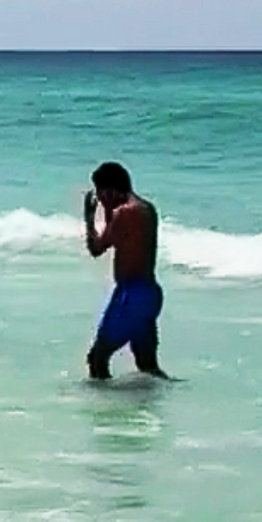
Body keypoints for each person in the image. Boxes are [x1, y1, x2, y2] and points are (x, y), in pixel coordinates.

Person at [83, 161, 170, 380]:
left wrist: (89, 218)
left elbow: (97, 247)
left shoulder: (125, 213)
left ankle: (104, 410)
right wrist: (109, 209)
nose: (101, 201)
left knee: (98, 358)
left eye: (101, 195)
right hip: (149, 293)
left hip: (131, 296)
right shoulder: (146, 208)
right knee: (147, 364)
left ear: (110, 190)